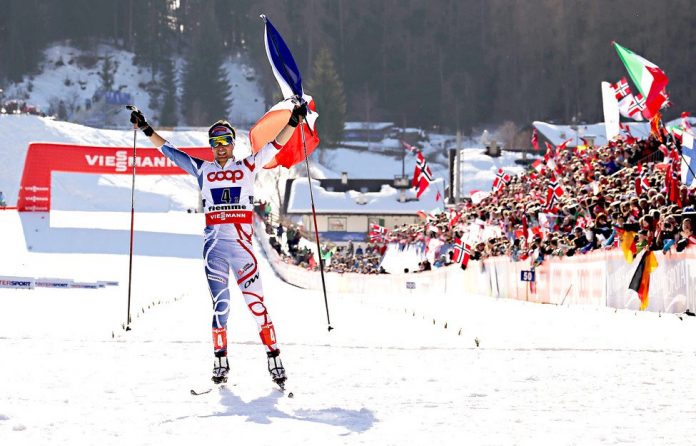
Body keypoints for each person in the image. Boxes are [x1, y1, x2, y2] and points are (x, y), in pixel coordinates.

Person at [129, 100, 307, 388]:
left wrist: (294, 122)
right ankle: (220, 360)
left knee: (257, 306)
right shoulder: (202, 169)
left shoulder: (248, 166)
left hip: (243, 250)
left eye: (225, 141)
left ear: (233, 144)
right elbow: (170, 151)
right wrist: (146, 127)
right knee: (220, 306)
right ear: (211, 146)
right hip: (214, 250)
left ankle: (274, 358)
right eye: (216, 142)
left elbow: (275, 145)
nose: (221, 146)